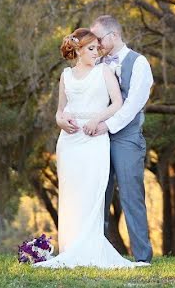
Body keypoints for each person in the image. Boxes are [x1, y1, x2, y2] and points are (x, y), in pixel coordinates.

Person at [34, 28, 144, 269]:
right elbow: (60, 110)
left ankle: (91, 247)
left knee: (92, 192)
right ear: (79, 50)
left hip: (94, 138)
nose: (97, 53)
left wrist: (97, 119)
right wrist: (60, 121)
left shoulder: (104, 72)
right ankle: (71, 248)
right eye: (91, 49)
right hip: (69, 141)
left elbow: (117, 103)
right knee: (71, 195)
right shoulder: (66, 75)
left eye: (97, 48)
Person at [87, 15, 154, 263]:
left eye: (100, 39)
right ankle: (95, 254)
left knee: (131, 195)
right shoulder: (97, 64)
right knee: (98, 195)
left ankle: (142, 258)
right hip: (98, 139)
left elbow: (133, 104)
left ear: (114, 36)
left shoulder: (139, 63)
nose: (97, 44)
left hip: (127, 139)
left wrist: (106, 125)